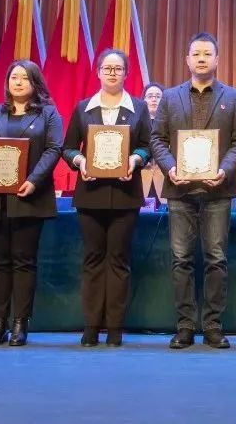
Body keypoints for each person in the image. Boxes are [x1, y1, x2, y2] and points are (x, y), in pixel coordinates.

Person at [150, 32, 236, 349]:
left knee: (216, 259)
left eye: (208, 53)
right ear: (187, 60)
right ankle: (185, 326)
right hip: (180, 190)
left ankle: (213, 326)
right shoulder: (170, 98)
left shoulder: (233, 96)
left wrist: (225, 170)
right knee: (181, 260)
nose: (202, 58)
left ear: (217, 59)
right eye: (196, 53)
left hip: (218, 190)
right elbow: (157, 139)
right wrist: (170, 168)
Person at [0, 60, 62, 347]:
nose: (18, 82)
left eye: (25, 78)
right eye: (14, 77)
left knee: (23, 261)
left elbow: (54, 149)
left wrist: (33, 180)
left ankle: (20, 323)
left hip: (29, 196)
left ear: (35, 83)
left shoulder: (48, 114)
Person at [64, 49, 153, 347]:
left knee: (118, 260)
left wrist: (135, 160)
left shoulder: (139, 108)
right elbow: (68, 148)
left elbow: (147, 146)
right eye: (107, 68)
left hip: (125, 195)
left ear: (126, 73)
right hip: (90, 195)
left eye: (118, 69)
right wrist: (80, 161)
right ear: (99, 72)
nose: (113, 73)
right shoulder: (83, 108)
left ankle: (115, 328)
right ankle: (91, 327)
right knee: (92, 259)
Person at [140, 82, 166, 203]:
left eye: (158, 96)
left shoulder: (172, 123)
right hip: (141, 179)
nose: (154, 99)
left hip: (165, 180)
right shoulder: (136, 123)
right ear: (143, 100)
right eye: (150, 96)